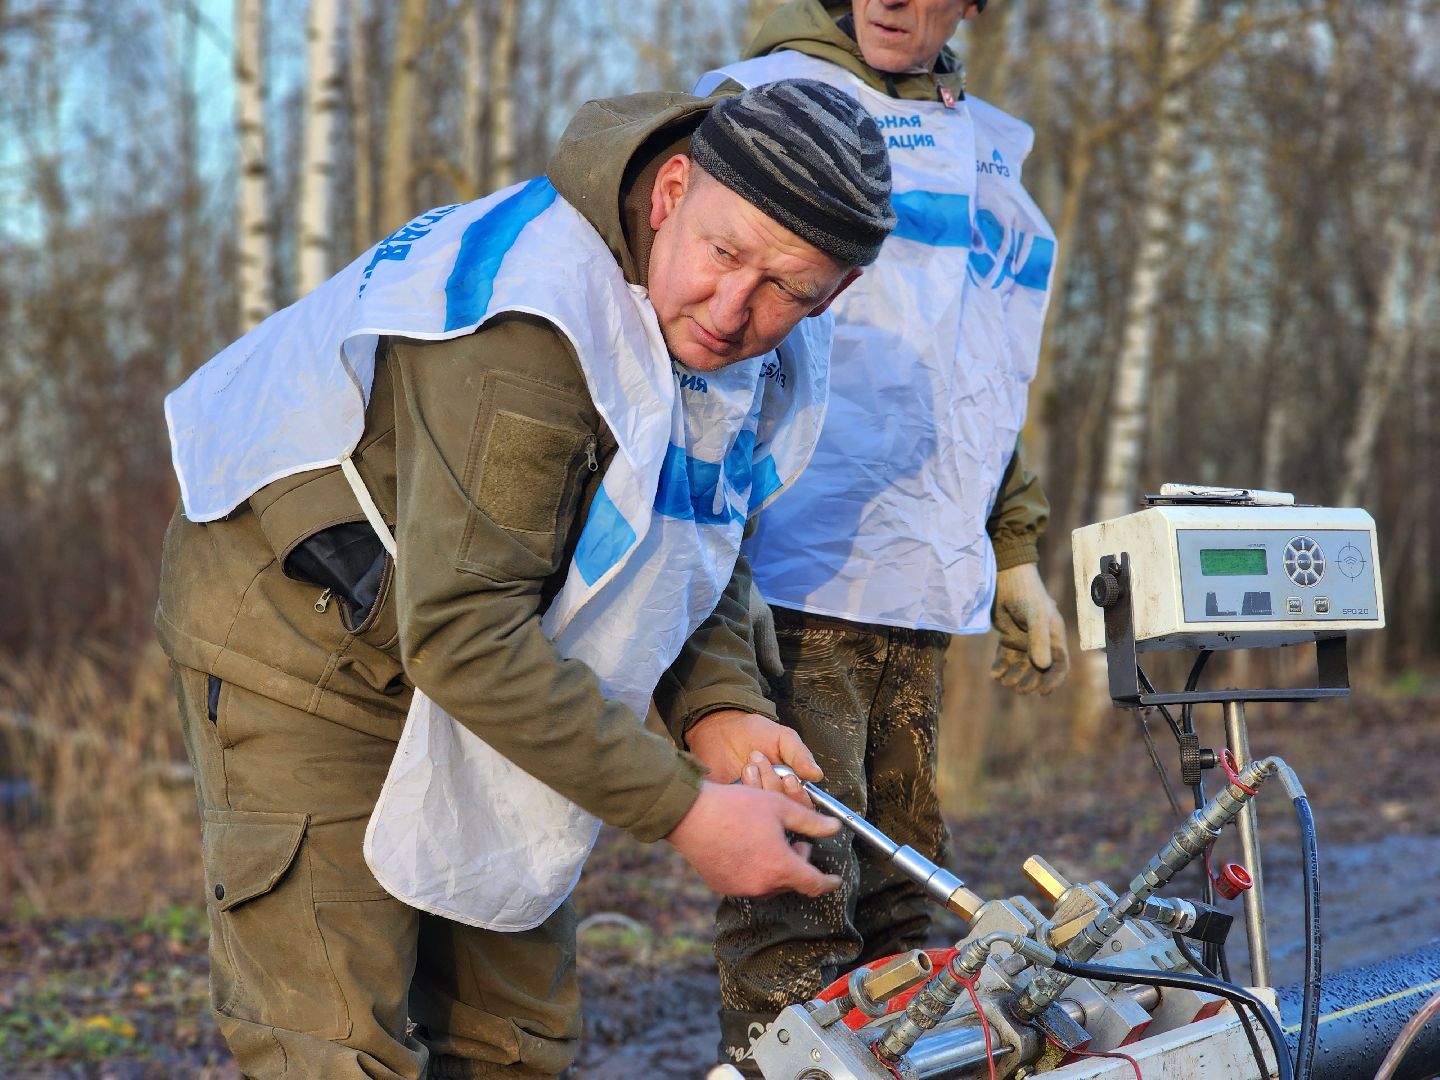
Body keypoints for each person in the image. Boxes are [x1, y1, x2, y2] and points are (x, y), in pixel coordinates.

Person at [156, 80, 896, 1080]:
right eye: (725, 256)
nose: (733, 311)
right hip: (311, 638)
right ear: (674, 189)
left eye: (786, 291)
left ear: (835, 293)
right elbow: (462, 634)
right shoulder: (534, 324)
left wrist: (717, 706)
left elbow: (692, 530)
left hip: (493, 647)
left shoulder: (741, 346)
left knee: (515, 1041)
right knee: (335, 1046)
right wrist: (686, 809)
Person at [690, 3, 1071, 1070]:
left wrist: (1016, 551)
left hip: (920, 571)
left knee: (912, 895)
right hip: (792, 573)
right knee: (801, 892)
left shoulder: (984, 144)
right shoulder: (765, 103)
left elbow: (982, 373)